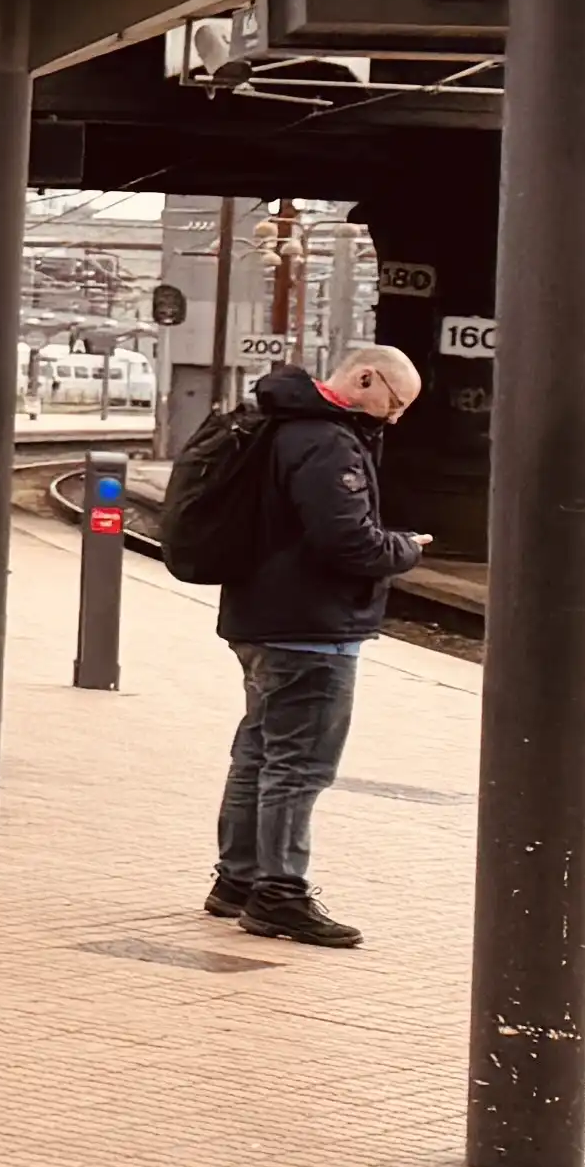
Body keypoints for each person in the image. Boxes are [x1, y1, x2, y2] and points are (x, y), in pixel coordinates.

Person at [211, 340, 425, 948]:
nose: (394, 418)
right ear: (366, 378)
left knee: (258, 753)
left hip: (260, 618)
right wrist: (406, 549)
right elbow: (347, 542)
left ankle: (238, 880)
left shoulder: (280, 426)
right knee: (299, 764)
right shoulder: (327, 443)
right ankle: (279, 894)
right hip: (311, 629)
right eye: (395, 402)